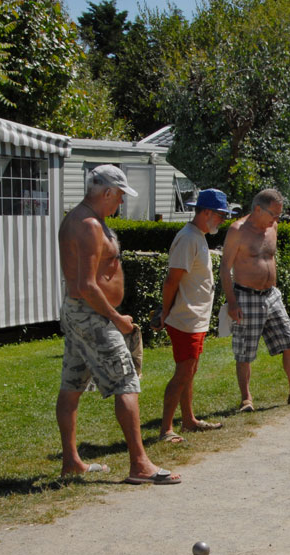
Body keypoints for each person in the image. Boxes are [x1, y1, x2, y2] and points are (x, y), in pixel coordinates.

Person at [56, 164, 181, 484]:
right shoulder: (88, 225)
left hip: (78, 312)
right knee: (126, 381)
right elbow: (87, 285)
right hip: (92, 315)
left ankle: (71, 462)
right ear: (107, 191)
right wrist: (117, 319)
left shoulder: (79, 219)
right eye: (120, 195)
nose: (121, 202)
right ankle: (139, 465)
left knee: (72, 384)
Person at [220, 188, 290, 412]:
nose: (276, 220)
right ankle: (246, 399)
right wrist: (232, 302)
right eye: (273, 214)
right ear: (257, 209)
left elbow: (269, 257)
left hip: (272, 295)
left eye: (279, 215)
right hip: (246, 296)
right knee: (245, 351)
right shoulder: (237, 231)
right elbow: (225, 268)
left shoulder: (272, 227)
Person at [156, 189, 234, 443]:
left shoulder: (198, 236)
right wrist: (165, 312)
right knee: (183, 372)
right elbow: (172, 281)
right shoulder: (188, 238)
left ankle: (188, 420)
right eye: (221, 216)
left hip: (194, 317)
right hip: (185, 318)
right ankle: (166, 429)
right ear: (207, 213)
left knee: (190, 370)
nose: (222, 221)